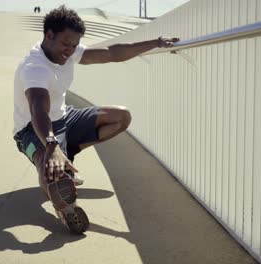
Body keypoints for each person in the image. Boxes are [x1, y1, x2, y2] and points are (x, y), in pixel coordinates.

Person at [13, 5, 179, 234]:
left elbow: (111, 53)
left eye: (74, 45)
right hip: (32, 130)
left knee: (121, 117)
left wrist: (156, 42)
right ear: (49, 35)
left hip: (65, 117)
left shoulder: (68, 50)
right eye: (66, 44)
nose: (70, 51)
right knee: (46, 163)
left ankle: (66, 154)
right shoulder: (35, 68)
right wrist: (51, 145)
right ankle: (65, 207)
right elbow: (38, 110)